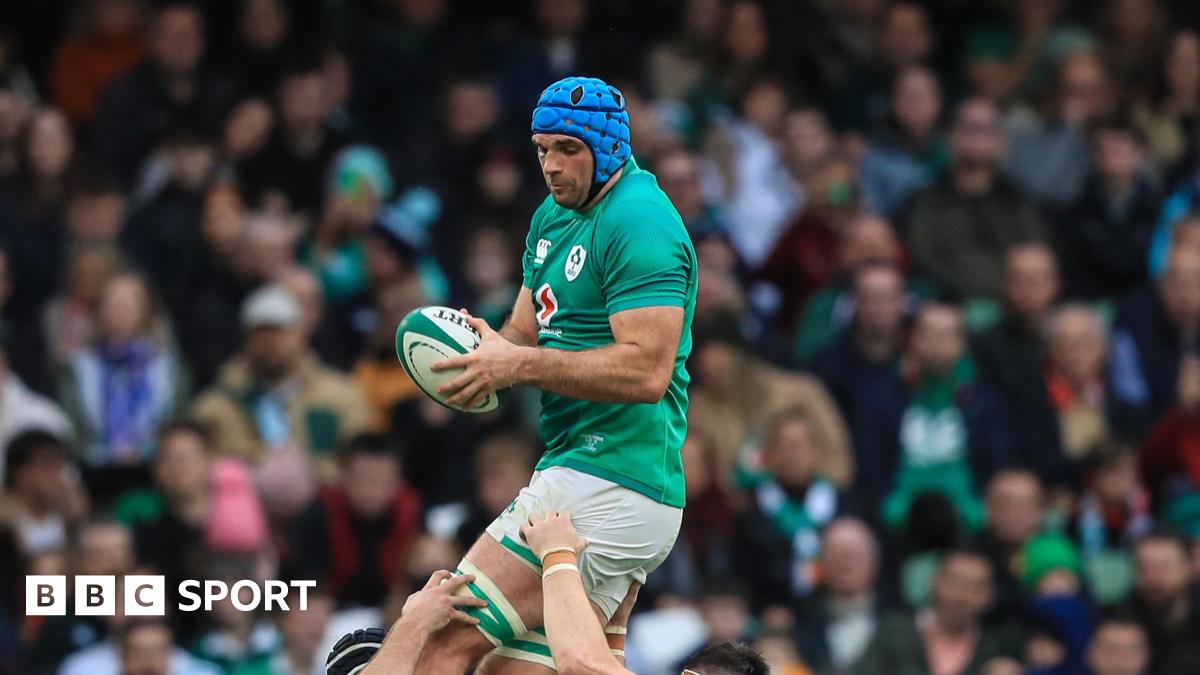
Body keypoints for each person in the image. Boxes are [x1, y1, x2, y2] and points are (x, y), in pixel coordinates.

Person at [392, 75, 696, 674]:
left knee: (440, 642)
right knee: (505, 670)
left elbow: (648, 371)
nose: (550, 166)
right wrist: (483, 358)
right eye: (541, 149)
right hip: (589, 471)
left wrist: (518, 364)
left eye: (567, 149)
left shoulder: (641, 222)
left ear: (608, 148)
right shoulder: (550, 218)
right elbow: (523, 336)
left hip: (611, 474)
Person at [191, 283, 370, 480]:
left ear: (301, 333)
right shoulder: (216, 406)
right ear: (245, 338)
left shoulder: (340, 395)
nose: (270, 343)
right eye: (261, 334)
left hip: (326, 502)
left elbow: (363, 462)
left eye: (280, 333)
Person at [904, 97, 1044, 301]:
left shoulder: (1018, 199)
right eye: (970, 128)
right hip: (948, 304)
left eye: (988, 129)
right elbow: (923, 258)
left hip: (1014, 305)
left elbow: (1035, 251)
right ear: (951, 137)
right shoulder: (925, 200)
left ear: (1001, 141)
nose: (979, 138)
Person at [855, 549, 1022, 675]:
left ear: (990, 596)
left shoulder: (999, 647)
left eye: (976, 587)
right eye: (955, 582)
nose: (962, 596)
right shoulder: (894, 632)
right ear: (934, 581)